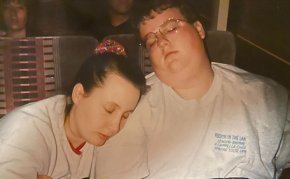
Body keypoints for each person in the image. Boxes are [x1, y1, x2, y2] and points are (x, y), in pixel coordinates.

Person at [94, 0, 290, 178]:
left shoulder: (266, 97)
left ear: (199, 29)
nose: (161, 41)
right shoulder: (130, 110)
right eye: (151, 40)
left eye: (170, 27)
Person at [0, 39, 147, 178]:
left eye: (126, 115)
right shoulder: (26, 133)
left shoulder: (98, 136)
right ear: (79, 94)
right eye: (109, 109)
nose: (115, 127)